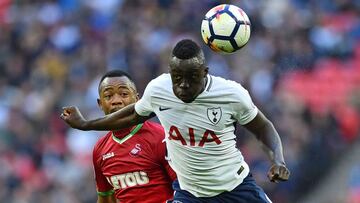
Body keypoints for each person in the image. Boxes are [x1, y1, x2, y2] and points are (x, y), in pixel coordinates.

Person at [61, 39, 290, 203]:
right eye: (177, 78)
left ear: (205, 72)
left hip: (235, 187)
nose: (183, 85)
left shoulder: (231, 94)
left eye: (191, 78)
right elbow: (132, 114)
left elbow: (263, 128)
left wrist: (277, 159)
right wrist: (86, 124)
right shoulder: (158, 89)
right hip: (189, 194)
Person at [86, 70, 176, 203]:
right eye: (108, 96)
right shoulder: (100, 150)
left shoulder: (160, 136)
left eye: (124, 94)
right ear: (100, 104)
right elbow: (105, 198)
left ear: (137, 99)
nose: (116, 101)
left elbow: (183, 188)